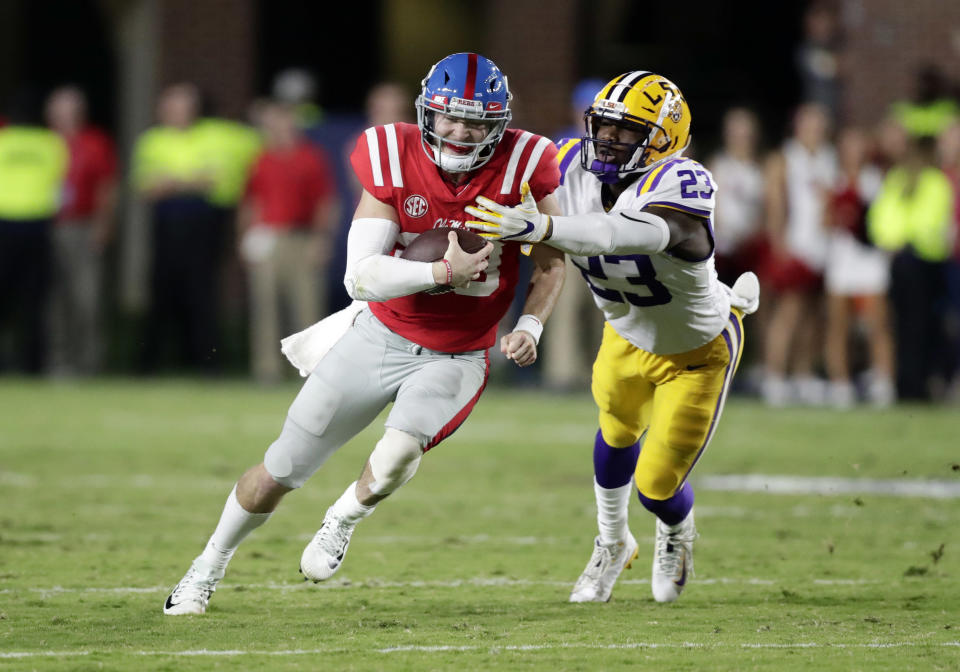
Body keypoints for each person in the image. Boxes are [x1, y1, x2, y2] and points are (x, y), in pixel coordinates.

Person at [163, 53, 566, 615]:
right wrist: (442, 273)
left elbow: (551, 263)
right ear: (428, 112)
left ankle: (343, 517)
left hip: (456, 353)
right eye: (450, 116)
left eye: (476, 120)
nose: (460, 131)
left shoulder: (527, 163)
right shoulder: (392, 153)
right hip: (379, 335)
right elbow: (361, 275)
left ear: (499, 123)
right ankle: (206, 566)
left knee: (400, 451)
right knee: (279, 468)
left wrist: (530, 323)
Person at [467, 72, 759, 604]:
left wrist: (538, 227)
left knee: (656, 486)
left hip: (697, 352)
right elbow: (521, 208)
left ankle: (676, 531)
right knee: (615, 432)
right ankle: (610, 541)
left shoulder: (684, 184)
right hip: (624, 333)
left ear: (664, 139)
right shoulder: (567, 162)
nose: (606, 139)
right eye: (602, 126)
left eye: (625, 133)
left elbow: (614, 232)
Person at [238, 100, 340, 383]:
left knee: (307, 307)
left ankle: (310, 369)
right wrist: (245, 237)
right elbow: (251, 200)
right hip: (267, 238)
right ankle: (266, 369)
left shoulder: (310, 157)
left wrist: (322, 239)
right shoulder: (260, 158)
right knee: (265, 307)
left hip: (301, 237)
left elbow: (325, 201)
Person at [868, 134, 954, 401]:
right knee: (909, 327)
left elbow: (930, 221)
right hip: (909, 262)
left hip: (917, 261)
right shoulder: (906, 180)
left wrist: (899, 238)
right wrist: (896, 240)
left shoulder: (924, 182)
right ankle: (909, 385)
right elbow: (882, 217)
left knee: (915, 327)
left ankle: (914, 384)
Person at [761, 103, 836, 406]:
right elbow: (776, 202)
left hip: (821, 248)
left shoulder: (828, 158)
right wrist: (780, 243)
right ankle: (774, 376)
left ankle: (802, 374)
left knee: (812, 315)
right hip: (795, 244)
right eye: (809, 125)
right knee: (788, 314)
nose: (814, 131)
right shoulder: (785, 158)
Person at [44, 86, 118, 376]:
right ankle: (58, 361)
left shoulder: (95, 142)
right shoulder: (42, 142)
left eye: (67, 109)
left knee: (88, 297)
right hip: (48, 225)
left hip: (83, 225)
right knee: (53, 299)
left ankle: (90, 362)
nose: (61, 115)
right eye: (56, 108)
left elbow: (107, 187)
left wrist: (103, 224)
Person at [822, 127, 894, 407]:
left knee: (878, 324)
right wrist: (838, 214)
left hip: (869, 259)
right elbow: (824, 223)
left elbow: (886, 220)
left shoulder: (877, 180)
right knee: (838, 326)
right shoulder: (832, 180)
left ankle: (883, 382)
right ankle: (841, 385)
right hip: (841, 259)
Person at [0, 90, 68, 373]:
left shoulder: (3, 142)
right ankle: (33, 364)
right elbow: (59, 187)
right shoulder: (52, 144)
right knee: (35, 301)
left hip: (4, 225)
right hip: (38, 227)